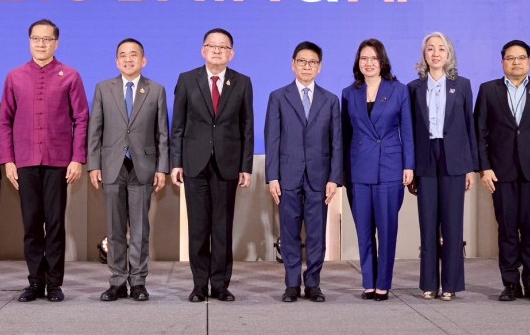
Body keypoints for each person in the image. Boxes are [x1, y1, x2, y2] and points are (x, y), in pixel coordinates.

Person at [0, 19, 89, 303]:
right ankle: (35, 282)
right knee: (32, 224)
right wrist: (8, 160)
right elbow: (4, 121)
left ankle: (55, 283)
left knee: (55, 223)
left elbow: (81, 119)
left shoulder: (70, 75)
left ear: (56, 43)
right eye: (36, 39)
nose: (41, 44)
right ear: (29, 41)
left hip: (58, 161)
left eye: (47, 39)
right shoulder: (15, 76)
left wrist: (77, 158)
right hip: (24, 160)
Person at [475, 39, 530, 303]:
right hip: (500, 173)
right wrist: (484, 168)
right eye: (510, 58)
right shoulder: (488, 90)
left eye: (521, 57)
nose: (516, 62)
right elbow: (479, 133)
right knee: (507, 231)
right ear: (502, 62)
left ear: (529, 61)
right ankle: (511, 284)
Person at [170, 28, 253, 303]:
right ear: (203, 50)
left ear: (232, 53)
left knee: (222, 228)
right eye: (212, 45)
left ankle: (219, 285)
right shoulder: (187, 80)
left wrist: (246, 166)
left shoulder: (242, 82)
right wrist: (176, 162)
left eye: (223, 46)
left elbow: (247, 126)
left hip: (227, 164)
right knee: (198, 228)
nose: (217, 51)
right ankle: (198, 285)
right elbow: (178, 125)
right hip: (194, 164)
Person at [87, 38, 169, 302]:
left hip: (143, 168)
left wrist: (162, 169)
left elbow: (162, 133)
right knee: (115, 229)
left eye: (133, 55)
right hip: (112, 167)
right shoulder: (103, 88)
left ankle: (138, 282)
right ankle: (117, 281)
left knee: (140, 230)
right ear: (116, 61)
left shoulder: (156, 90)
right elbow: (95, 130)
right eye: (122, 55)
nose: (128, 59)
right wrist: (93, 165)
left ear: (143, 60)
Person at [264, 41, 342, 303]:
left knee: (317, 234)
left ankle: (313, 284)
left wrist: (334, 178)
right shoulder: (278, 97)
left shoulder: (330, 100)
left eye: (312, 62)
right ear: (293, 64)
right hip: (288, 176)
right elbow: (272, 139)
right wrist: (272, 176)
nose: (307, 66)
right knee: (289, 233)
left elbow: (336, 143)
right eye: (302, 61)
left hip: (319, 177)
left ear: (319, 67)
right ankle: (291, 284)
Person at [407, 32, 478, 301]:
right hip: (425, 159)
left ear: (449, 54)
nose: (435, 53)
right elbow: (410, 131)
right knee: (427, 225)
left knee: (452, 225)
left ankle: (450, 284)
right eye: (430, 49)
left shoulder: (462, 85)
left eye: (441, 49)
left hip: (454, 160)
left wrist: (470, 167)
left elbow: (469, 127)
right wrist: (410, 167)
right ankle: (428, 283)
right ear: (424, 55)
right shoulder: (413, 88)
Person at [342, 38, 414, 301]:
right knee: (364, 231)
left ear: (382, 61)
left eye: (373, 58)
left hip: (390, 168)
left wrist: (409, 165)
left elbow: (407, 130)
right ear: (358, 63)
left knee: (386, 230)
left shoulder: (399, 90)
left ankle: (383, 283)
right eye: (364, 58)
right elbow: (345, 136)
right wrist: (342, 173)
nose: (369, 63)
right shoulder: (349, 93)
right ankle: (368, 283)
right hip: (359, 169)